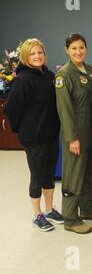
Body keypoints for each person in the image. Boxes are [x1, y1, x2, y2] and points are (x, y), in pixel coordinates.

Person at [4, 38, 63, 231]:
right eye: (32, 53)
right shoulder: (23, 80)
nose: (37, 56)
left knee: (49, 174)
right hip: (33, 138)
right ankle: (37, 215)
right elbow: (11, 110)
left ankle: (49, 209)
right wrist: (23, 130)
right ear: (25, 57)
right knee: (37, 176)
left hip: (51, 134)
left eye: (40, 52)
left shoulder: (50, 76)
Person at [55, 33, 92, 234]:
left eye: (82, 47)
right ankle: (70, 217)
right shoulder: (64, 75)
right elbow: (64, 109)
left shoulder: (90, 70)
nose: (78, 51)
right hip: (76, 132)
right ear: (67, 50)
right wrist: (71, 137)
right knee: (74, 174)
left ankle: (88, 207)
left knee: (91, 171)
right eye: (74, 48)